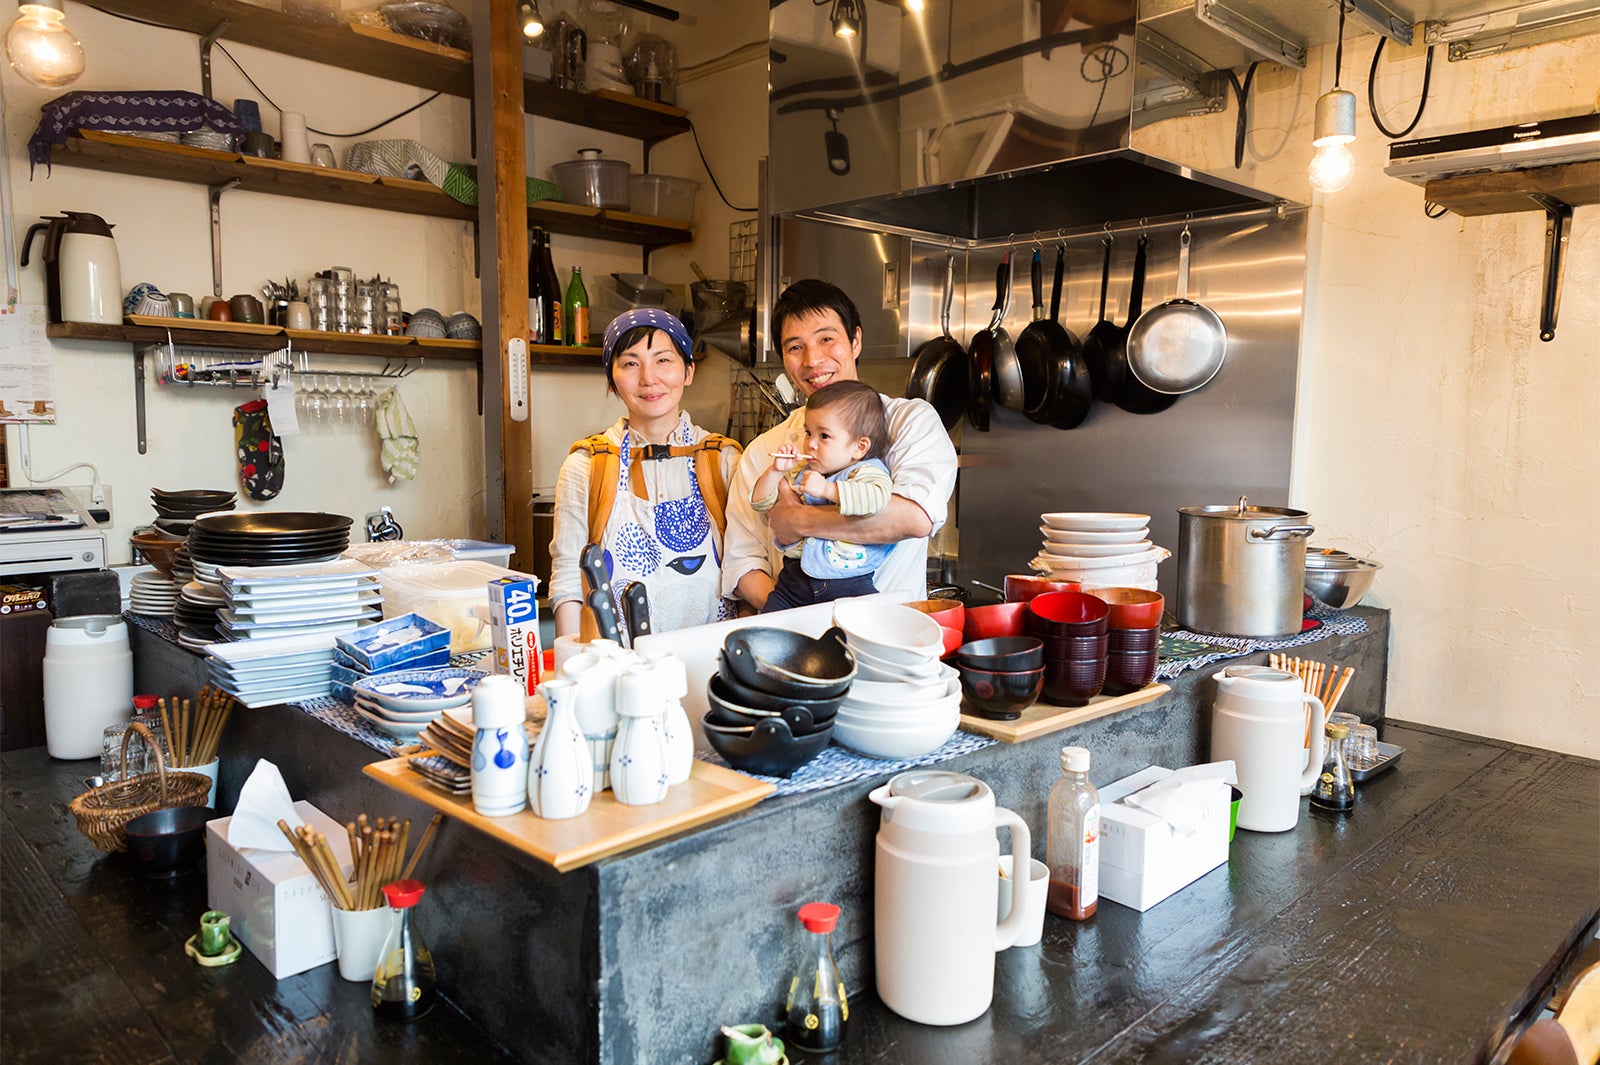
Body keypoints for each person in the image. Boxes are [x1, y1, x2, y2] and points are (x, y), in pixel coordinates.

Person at [723, 279, 958, 612]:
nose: (813, 359)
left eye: (826, 339)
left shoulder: (910, 422)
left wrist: (799, 519)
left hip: (889, 640)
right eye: (795, 347)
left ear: (855, 340)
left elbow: (914, 517)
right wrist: (797, 616)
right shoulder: (766, 450)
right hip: (797, 639)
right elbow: (741, 560)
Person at [548, 307, 742, 637]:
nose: (648, 378)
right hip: (620, 667)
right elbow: (568, 579)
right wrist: (575, 664)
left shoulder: (724, 459)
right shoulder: (587, 464)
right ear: (611, 380)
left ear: (689, 371)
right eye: (630, 363)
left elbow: (747, 565)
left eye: (663, 360)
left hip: (712, 660)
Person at [751, 380, 896, 611]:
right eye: (809, 433)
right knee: (768, 632)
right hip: (792, 583)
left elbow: (877, 499)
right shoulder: (803, 473)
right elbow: (760, 503)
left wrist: (828, 490)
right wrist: (775, 471)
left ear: (860, 447)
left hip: (850, 584)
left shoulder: (866, 471)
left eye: (824, 436)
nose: (810, 444)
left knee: (860, 634)